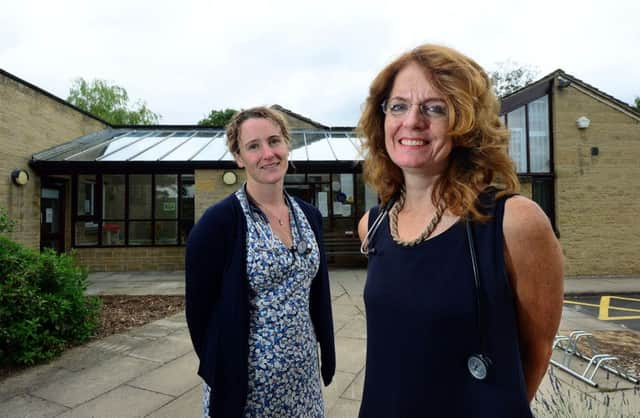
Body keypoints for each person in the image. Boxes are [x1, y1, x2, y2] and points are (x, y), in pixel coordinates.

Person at [356, 44, 564, 417]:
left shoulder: (514, 223)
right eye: (399, 106)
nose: (413, 121)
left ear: (465, 123)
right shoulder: (372, 227)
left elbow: (537, 351)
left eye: (435, 108)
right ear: (381, 118)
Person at [185, 107, 335, 418]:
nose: (268, 153)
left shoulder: (309, 215)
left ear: (287, 146)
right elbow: (199, 314)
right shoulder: (218, 223)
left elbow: (317, 294)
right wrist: (223, 368)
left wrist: (326, 354)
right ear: (239, 157)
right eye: (254, 146)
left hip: (302, 381)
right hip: (246, 390)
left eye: (274, 141)